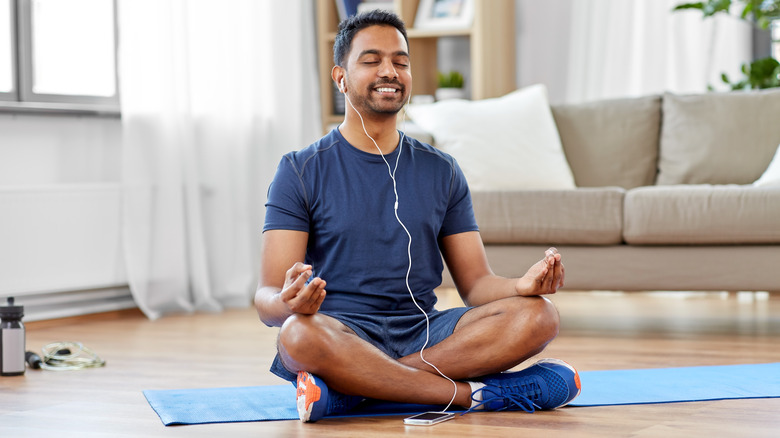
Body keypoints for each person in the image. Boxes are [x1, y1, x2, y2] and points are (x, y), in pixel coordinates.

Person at [254, 10, 580, 423]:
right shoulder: (299, 169)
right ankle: (472, 396)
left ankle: (355, 390)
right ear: (341, 77)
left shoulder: (441, 170)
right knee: (297, 334)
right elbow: (266, 300)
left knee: (539, 314)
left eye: (401, 62)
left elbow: (477, 286)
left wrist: (521, 285)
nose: (389, 71)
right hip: (341, 333)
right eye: (371, 60)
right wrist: (285, 302)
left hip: (425, 332)